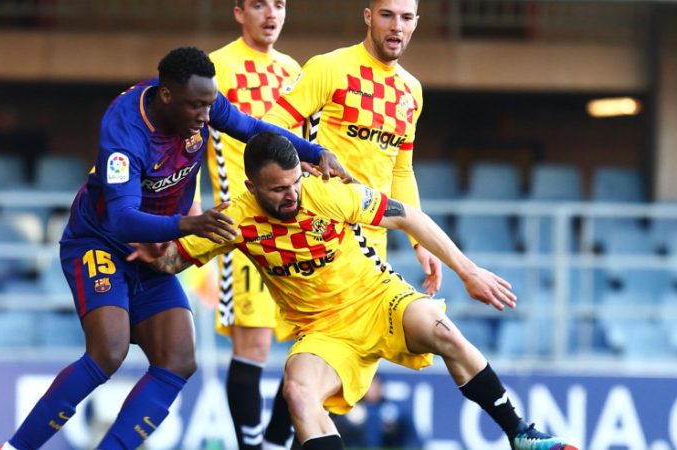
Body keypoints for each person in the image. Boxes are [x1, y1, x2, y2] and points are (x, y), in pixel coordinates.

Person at [0, 47, 350, 450]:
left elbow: (252, 128)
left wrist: (315, 153)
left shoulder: (200, 102)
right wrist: (189, 225)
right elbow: (122, 219)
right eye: (196, 107)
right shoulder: (125, 131)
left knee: (178, 360)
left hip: (154, 247)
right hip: (101, 242)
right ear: (166, 96)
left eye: (209, 105)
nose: (205, 116)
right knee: (108, 351)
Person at [136, 132, 578, 450]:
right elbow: (169, 262)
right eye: (278, 190)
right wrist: (139, 239)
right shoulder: (233, 220)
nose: (292, 195)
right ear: (252, 187)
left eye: (295, 182)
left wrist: (468, 271)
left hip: (380, 301)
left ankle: (519, 433)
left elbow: (408, 217)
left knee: (442, 329)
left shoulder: (328, 193)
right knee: (297, 392)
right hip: (325, 333)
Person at [262, 0, 442, 294]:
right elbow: (272, 123)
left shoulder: (412, 90)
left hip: (373, 240)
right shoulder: (329, 67)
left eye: (406, 18)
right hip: (322, 232)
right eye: (387, 15)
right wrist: (299, 157)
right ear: (368, 17)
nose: (397, 26)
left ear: (415, 23)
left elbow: (401, 171)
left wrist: (419, 241)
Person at [207, 1, 300, 448]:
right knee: (255, 346)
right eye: (259, 4)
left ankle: (277, 443)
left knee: (309, 345)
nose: (271, 13)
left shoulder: (294, 71)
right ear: (238, 11)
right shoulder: (215, 67)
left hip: (295, 227)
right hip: (240, 228)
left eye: (279, 4)